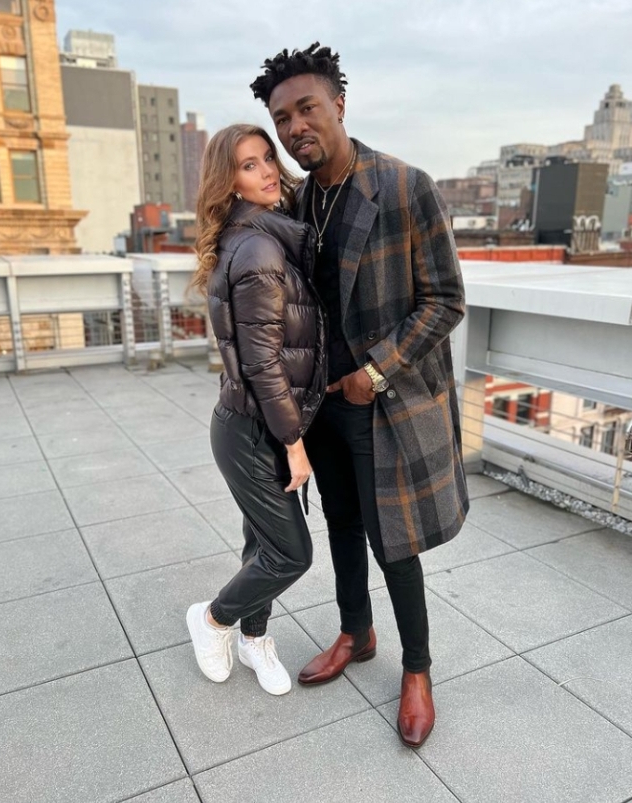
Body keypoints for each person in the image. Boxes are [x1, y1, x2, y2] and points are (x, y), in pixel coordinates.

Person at [250, 44, 469, 745]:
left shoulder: (403, 186)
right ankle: (356, 632)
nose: (295, 128)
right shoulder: (298, 200)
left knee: (392, 541)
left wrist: (374, 371)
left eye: (306, 109)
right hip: (320, 406)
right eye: (282, 118)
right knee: (340, 524)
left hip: (383, 403)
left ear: (339, 105)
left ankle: (417, 669)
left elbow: (445, 300)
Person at [186, 123, 326, 696]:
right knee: (293, 554)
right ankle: (213, 618)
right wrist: (294, 445)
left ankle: (254, 638)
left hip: (257, 421)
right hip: (253, 431)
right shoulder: (260, 248)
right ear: (230, 182)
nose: (268, 170)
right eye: (249, 165)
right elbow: (264, 363)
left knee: (263, 541)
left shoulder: (254, 236)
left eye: (268, 157)